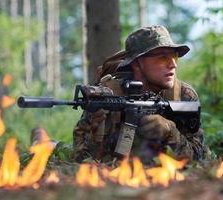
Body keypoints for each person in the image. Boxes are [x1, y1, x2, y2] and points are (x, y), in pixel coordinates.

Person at [73, 25, 207, 164]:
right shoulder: (107, 96)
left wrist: (171, 132)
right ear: (137, 63)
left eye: (174, 57)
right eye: (162, 58)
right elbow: (80, 160)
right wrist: (95, 132)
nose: (173, 64)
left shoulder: (182, 96)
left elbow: (199, 159)